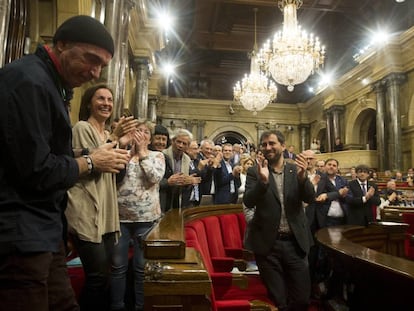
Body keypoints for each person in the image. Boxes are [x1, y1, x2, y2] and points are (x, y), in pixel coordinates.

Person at [0, 15, 130, 311]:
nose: (95, 72)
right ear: (61, 45)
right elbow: (36, 170)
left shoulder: (51, 84)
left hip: (44, 231)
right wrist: (90, 162)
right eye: (90, 59)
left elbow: (46, 155)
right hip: (21, 236)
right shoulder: (28, 81)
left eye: (102, 66)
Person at [65, 84, 136, 310]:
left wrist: (123, 147)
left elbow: (116, 173)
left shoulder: (106, 134)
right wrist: (115, 138)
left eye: (109, 99)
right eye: (101, 98)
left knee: (104, 276)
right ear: (88, 103)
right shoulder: (82, 127)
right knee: (96, 277)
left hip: (105, 209)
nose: (106, 103)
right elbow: (92, 162)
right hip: (85, 208)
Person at [243, 130, 315, 311]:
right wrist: (263, 182)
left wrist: (302, 178)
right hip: (268, 246)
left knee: (302, 300)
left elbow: (310, 198)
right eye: (264, 144)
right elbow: (248, 201)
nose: (268, 147)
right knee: (279, 301)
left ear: (283, 146)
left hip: (295, 244)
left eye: (272, 143)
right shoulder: (255, 171)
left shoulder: (295, 170)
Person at [111, 120, 165, 311]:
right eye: (137, 131)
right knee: (118, 268)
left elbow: (154, 178)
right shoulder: (122, 153)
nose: (141, 134)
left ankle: (141, 306)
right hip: (119, 219)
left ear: (149, 138)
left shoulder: (156, 156)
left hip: (146, 220)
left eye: (145, 132)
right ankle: (117, 306)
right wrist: (124, 147)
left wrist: (142, 154)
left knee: (141, 269)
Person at [148, 124, 173, 213]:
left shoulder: (166, 158)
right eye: (158, 138)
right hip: (148, 205)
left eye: (164, 139)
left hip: (163, 203)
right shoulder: (145, 156)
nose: (161, 142)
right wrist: (168, 182)